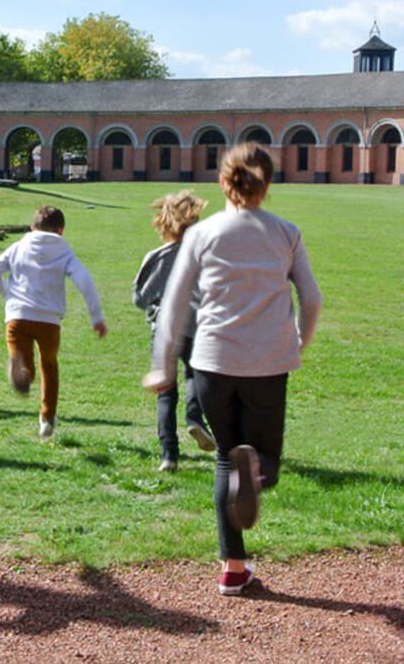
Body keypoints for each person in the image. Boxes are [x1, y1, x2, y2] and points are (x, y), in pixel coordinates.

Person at [143, 143, 322, 596]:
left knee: (226, 457)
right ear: (269, 186)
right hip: (268, 362)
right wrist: (298, 340)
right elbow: (313, 299)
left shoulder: (201, 235)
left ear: (223, 183)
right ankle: (259, 471)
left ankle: (233, 568)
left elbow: (174, 306)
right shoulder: (286, 232)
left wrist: (162, 366)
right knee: (266, 462)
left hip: (212, 363)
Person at [0, 205, 107, 440]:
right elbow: (84, 280)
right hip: (49, 320)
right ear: (61, 230)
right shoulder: (64, 251)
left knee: (23, 365)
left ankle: (21, 372)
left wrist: (9, 293)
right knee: (49, 365)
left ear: (32, 228)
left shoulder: (18, 247)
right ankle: (47, 418)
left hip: (18, 317)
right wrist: (97, 317)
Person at [133, 191, 215, 472]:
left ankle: (169, 454)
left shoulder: (156, 257)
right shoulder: (204, 255)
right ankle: (195, 419)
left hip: (163, 329)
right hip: (197, 326)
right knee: (194, 374)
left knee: (165, 392)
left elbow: (139, 298)